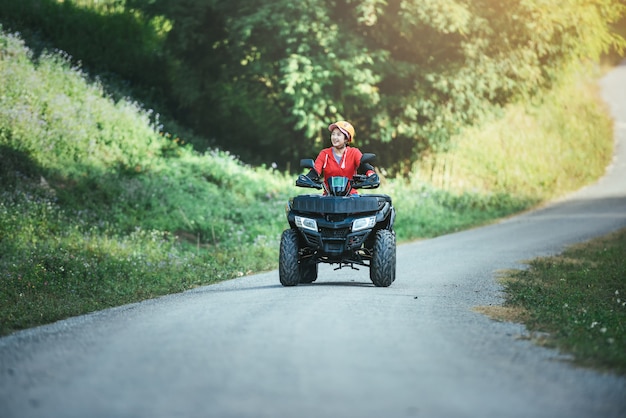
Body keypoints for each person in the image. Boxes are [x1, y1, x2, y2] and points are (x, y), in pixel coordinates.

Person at [307, 120, 378, 195]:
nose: (334, 137)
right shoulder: (324, 154)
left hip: (350, 195)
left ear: (346, 139)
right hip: (329, 196)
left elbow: (363, 165)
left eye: (338, 135)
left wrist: (370, 174)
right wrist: (307, 178)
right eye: (333, 134)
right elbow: (315, 171)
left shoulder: (354, 152)